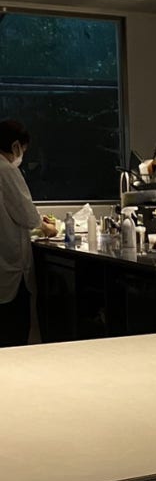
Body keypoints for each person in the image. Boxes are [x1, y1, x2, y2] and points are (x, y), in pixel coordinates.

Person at [0, 119, 56, 347]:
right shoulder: (6, 169)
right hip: (9, 269)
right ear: (15, 146)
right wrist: (47, 228)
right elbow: (26, 214)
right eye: (23, 149)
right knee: (14, 332)